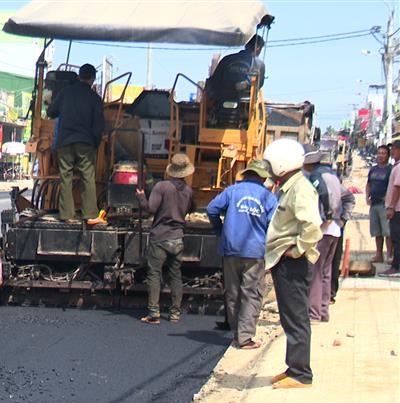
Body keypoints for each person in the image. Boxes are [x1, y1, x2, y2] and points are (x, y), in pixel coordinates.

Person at [263, 139, 322, 389]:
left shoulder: (300, 189)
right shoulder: (289, 186)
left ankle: (301, 374)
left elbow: (312, 226)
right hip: (283, 261)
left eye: (269, 164)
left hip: (293, 264)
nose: (267, 168)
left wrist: (296, 250)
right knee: (289, 317)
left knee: (296, 317)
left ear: (280, 163)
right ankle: (293, 367)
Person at [207, 159, 277, 349]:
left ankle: (236, 331)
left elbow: (211, 209)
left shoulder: (232, 191)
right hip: (255, 253)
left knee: (233, 292)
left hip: (230, 250)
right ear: (263, 178)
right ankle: (244, 337)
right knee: (251, 293)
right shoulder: (268, 197)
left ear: (246, 174)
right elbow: (274, 226)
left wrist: (220, 231)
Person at [136, 153, 195, 324]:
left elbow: (151, 209)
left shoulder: (161, 186)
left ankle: (154, 313)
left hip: (160, 237)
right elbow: (191, 208)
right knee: (175, 275)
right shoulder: (188, 190)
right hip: (177, 238)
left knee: (154, 273)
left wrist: (141, 197)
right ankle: (175, 313)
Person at [47, 63, 106, 225]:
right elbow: (99, 125)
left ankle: (66, 215)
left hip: (64, 142)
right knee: (87, 175)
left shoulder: (65, 93)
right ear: (93, 79)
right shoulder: (95, 98)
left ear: (79, 76)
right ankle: (90, 215)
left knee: (65, 176)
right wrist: (95, 143)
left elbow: (51, 112)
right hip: (85, 143)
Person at [304, 148, 343, 323]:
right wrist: (340, 219)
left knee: (315, 272)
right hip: (335, 229)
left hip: (324, 229)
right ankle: (324, 311)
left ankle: (313, 313)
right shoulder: (332, 175)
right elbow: (348, 197)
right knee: (326, 272)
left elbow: (324, 195)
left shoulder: (315, 177)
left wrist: (326, 216)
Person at [206, 35, 266, 102]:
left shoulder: (227, 59)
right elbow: (259, 84)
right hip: (245, 105)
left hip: (221, 101)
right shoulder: (260, 64)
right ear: (257, 48)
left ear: (246, 45)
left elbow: (215, 81)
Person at [366, 145, 393, 263]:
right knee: (377, 232)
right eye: (379, 153)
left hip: (384, 205)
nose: (380, 156)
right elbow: (368, 184)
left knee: (388, 232)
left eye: (383, 153)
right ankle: (379, 255)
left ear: (388, 155)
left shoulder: (391, 169)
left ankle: (390, 256)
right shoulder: (373, 169)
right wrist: (367, 197)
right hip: (374, 204)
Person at [330, 182, 356, 304]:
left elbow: (349, 198)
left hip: (333, 229)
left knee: (332, 262)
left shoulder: (332, 182)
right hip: (313, 230)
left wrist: (343, 219)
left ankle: (330, 294)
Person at [380, 142, 400, 277]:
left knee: (396, 239)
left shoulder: (399, 168)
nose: (391, 152)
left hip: (398, 209)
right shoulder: (396, 166)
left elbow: (398, 187)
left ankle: (396, 267)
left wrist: (391, 207)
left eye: (393, 149)